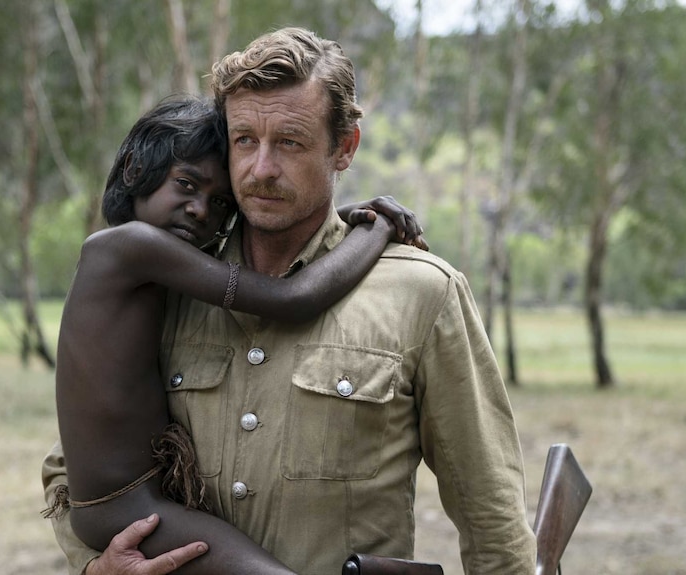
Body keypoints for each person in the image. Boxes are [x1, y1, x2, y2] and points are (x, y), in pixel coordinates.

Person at [44, 27, 536, 575]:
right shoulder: (163, 287)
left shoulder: (423, 292)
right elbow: (73, 467)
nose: (261, 170)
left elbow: (491, 514)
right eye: (245, 141)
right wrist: (95, 567)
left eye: (291, 142)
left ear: (343, 148)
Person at [46, 94, 424, 574]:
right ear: (134, 171)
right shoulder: (130, 247)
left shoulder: (147, 267)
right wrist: (375, 229)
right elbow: (293, 299)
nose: (201, 210)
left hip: (136, 502)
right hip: (129, 508)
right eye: (186, 184)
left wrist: (335, 221)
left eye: (220, 202)